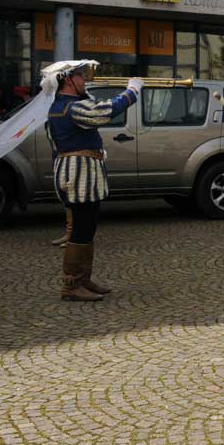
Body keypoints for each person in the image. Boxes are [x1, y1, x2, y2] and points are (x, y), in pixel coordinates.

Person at [43, 60, 142, 302]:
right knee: (81, 229)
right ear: (68, 79)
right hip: (78, 176)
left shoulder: (60, 107)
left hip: (79, 174)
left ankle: (83, 279)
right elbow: (103, 112)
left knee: (87, 228)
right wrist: (132, 92)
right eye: (80, 76)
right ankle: (72, 284)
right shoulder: (71, 107)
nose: (84, 80)